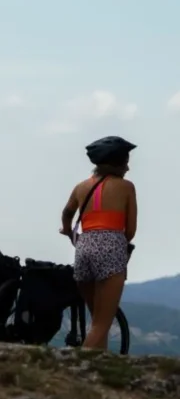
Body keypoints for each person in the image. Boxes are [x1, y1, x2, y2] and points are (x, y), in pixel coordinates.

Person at [59, 135, 137, 349]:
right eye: (125, 162)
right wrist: (116, 243)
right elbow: (130, 231)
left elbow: (67, 214)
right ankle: (78, 369)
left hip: (84, 247)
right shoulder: (126, 187)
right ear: (116, 163)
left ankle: (99, 369)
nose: (128, 167)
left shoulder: (81, 187)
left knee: (96, 320)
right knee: (102, 324)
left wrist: (68, 233)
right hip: (111, 246)